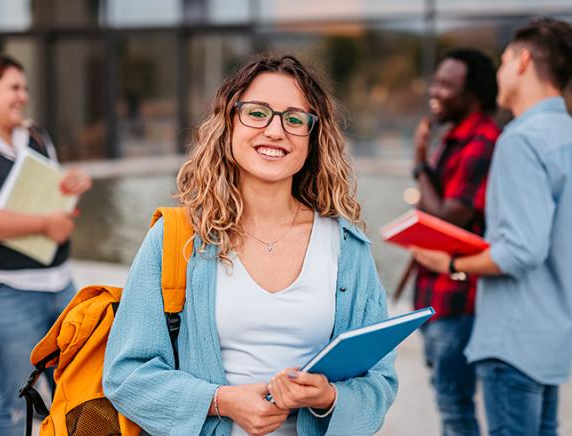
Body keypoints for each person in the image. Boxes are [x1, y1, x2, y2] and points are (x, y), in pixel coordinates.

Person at [103, 54, 397, 436]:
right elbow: (126, 375)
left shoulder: (348, 248)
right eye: (257, 113)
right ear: (228, 123)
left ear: (313, 137)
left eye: (294, 119)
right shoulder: (178, 238)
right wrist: (221, 401)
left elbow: (380, 381)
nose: (276, 131)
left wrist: (328, 398)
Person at [414, 18, 572, 435]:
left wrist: (450, 264)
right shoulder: (565, 134)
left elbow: (521, 250)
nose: (499, 73)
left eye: (503, 61)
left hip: (512, 340)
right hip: (552, 337)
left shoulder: (520, 139)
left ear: (521, 61)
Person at [0, 52, 91, 436]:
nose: (23, 96)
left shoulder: (35, 137)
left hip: (57, 287)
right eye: (13, 87)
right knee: (16, 403)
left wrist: (70, 185)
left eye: (25, 88)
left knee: (79, 395)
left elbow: (50, 191)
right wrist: (46, 224)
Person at [411, 48, 500, 436]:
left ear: (473, 95)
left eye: (447, 84)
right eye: (436, 80)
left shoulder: (481, 142)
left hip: (458, 300)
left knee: (454, 407)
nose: (435, 90)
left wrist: (420, 164)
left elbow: (445, 220)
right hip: (440, 296)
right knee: (449, 403)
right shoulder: (456, 137)